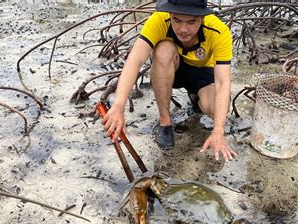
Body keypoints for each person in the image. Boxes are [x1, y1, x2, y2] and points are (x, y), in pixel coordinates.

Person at [101, 0, 237, 161]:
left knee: (217, 108)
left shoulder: (218, 30)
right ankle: (165, 121)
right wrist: (118, 106)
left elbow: (222, 82)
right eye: (177, 20)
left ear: (202, 18)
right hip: (171, 67)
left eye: (191, 22)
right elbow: (135, 60)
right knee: (164, 50)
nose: (183, 29)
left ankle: (196, 96)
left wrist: (218, 130)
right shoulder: (159, 19)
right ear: (170, 15)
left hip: (202, 72)